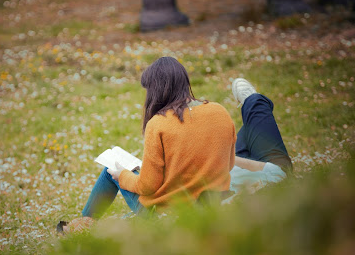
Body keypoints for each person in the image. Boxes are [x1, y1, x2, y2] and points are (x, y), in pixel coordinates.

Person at [80, 56, 237, 219]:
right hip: (212, 206)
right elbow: (229, 164)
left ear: (156, 90)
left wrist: (122, 176)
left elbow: (147, 186)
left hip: (169, 215)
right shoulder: (220, 112)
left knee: (109, 169)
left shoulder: (159, 123)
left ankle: (83, 223)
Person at [224, 78, 292, 202]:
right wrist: (225, 158)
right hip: (267, 172)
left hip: (224, 171)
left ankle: (254, 111)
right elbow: (278, 174)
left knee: (253, 125)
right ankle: (252, 104)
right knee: (256, 106)